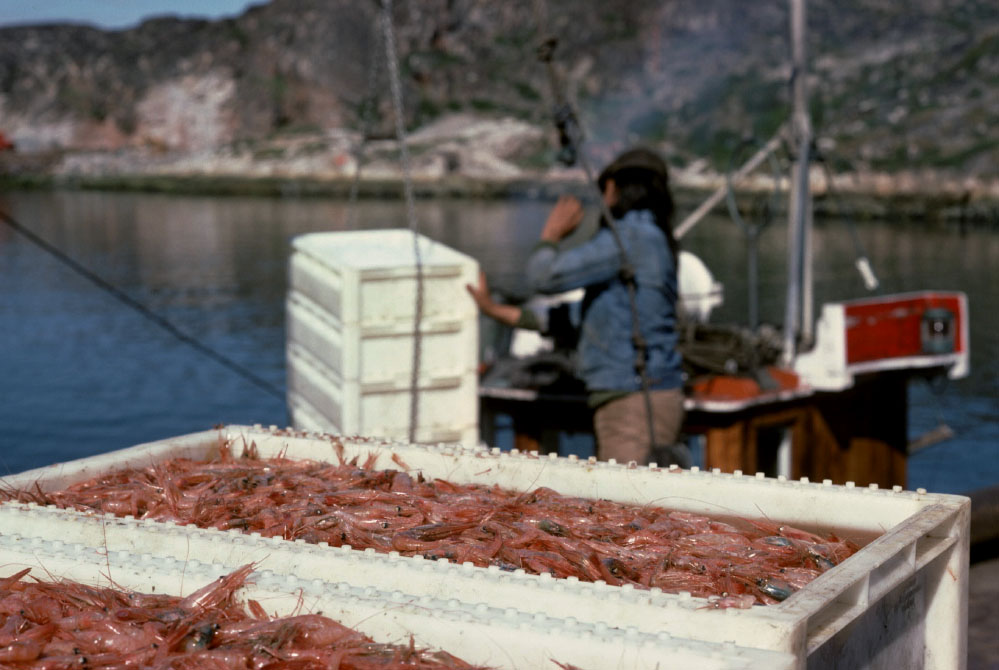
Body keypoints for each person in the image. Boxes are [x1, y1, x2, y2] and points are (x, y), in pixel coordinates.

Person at [467, 147, 690, 467]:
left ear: (614, 188)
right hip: (645, 398)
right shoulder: (652, 240)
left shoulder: (630, 238)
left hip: (633, 405)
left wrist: (551, 235)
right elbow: (579, 318)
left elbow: (543, 277)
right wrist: (494, 310)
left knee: (628, 509)